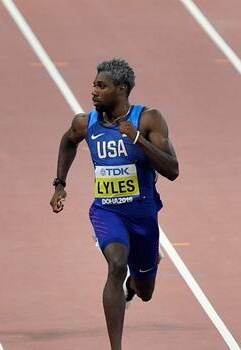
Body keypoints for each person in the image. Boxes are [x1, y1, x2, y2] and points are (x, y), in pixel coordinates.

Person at [50, 58, 178, 349]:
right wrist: (60, 184)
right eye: (94, 85)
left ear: (121, 89)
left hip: (143, 215)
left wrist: (139, 141)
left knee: (145, 290)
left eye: (101, 86)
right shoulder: (86, 123)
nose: (93, 91)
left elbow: (172, 170)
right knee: (117, 264)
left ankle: (134, 286)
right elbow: (68, 141)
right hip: (107, 212)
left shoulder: (148, 120)